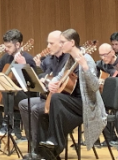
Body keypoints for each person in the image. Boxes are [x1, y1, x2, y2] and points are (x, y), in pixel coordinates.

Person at [38, 29, 106, 158]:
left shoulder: (87, 59)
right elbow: (60, 76)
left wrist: (85, 67)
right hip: (72, 103)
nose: (61, 45)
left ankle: (55, 143)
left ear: (72, 43)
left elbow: (95, 86)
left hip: (86, 105)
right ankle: (50, 151)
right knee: (44, 115)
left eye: (63, 42)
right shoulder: (70, 59)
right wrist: (53, 82)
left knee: (57, 99)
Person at [18, 30, 73, 160]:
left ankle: (43, 151)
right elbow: (44, 74)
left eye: (51, 43)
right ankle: (34, 145)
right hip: (47, 97)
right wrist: (43, 79)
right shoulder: (50, 59)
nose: (48, 46)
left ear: (61, 44)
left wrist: (49, 80)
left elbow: (63, 81)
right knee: (24, 104)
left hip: (63, 100)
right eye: (48, 43)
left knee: (36, 109)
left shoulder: (68, 60)